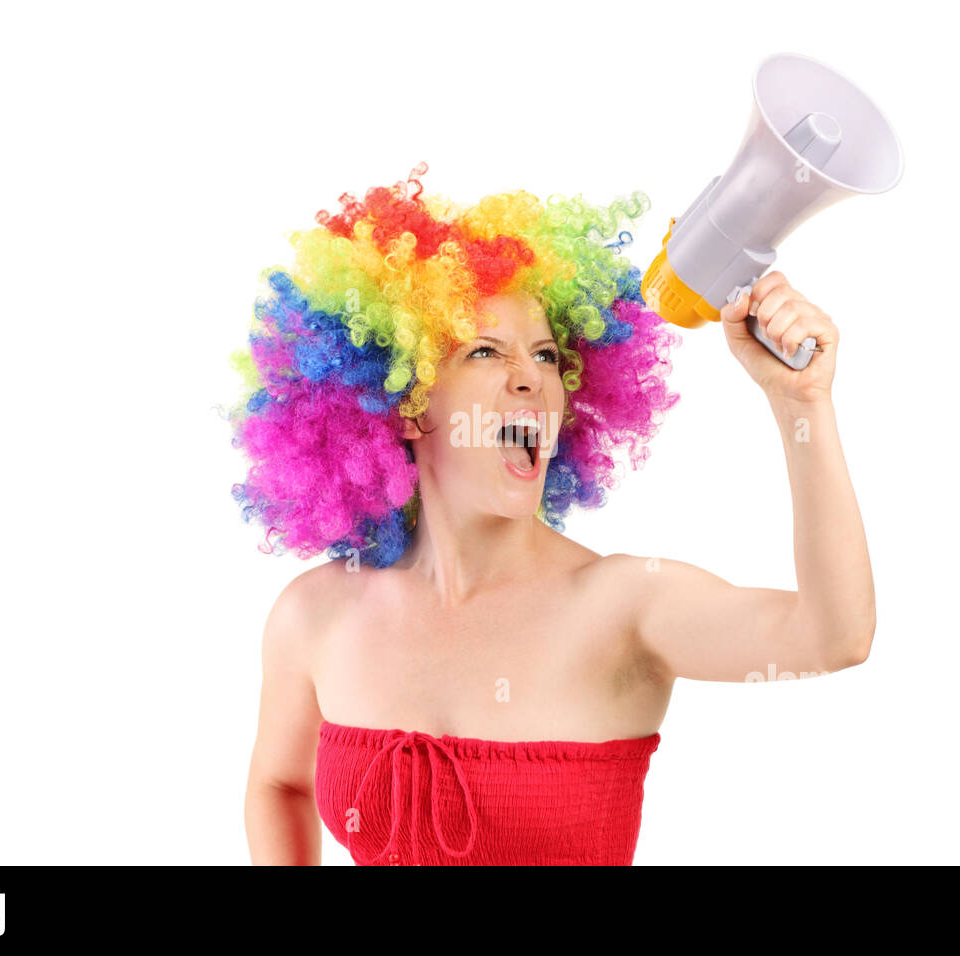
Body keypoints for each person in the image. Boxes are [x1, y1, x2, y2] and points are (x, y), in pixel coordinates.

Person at [228, 164, 875, 865]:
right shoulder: (316, 614)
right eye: (485, 351)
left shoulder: (624, 604)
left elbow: (832, 635)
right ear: (409, 405)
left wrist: (802, 402)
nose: (530, 376)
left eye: (544, 354)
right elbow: (279, 783)